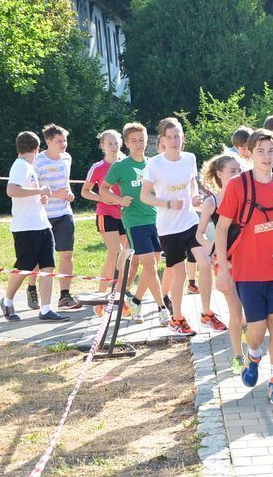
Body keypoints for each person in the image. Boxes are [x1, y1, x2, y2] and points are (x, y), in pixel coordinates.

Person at [214, 129, 273, 405]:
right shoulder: (238, 185)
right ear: (249, 153)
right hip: (247, 270)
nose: (267, 156)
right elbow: (223, 227)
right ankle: (253, 355)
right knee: (257, 329)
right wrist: (223, 269)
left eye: (271, 150)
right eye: (260, 151)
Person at [141, 117, 223, 336]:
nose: (174, 140)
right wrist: (167, 203)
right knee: (179, 274)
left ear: (183, 137)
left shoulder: (189, 158)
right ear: (162, 140)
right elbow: (144, 196)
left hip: (189, 222)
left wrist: (195, 196)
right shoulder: (155, 163)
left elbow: (192, 182)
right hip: (168, 228)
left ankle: (206, 313)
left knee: (205, 263)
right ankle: (176, 318)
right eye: (169, 137)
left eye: (177, 136)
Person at [100, 123, 168, 324]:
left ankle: (136, 301)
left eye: (141, 140)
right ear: (127, 144)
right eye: (133, 141)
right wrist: (120, 200)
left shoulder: (154, 164)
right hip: (134, 221)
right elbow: (104, 189)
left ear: (147, 141)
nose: (138, 144)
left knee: (153, 267)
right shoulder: (120, 166)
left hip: (156, 219)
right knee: (149, 264)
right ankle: (161, 308)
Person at [0, 131, 68, 323]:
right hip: (25, 227)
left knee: (48, 265)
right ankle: (7, 301)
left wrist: (40, 198)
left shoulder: (28, 167)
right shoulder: (20, 166)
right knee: (25, 267)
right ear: (37, 149)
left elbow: (26, 193)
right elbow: (11, 190)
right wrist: (40, 190)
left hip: (41, 223)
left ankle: (46, 309)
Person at [197, 152, 247, 374]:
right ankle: (238, 355)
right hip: (226, 262)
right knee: (235, 310)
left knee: (251, 310)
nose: (238, 175)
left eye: (240, 171)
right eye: (233, 171)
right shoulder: (213, 202)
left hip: (250, 258)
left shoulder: (247, 196)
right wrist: (212, 249)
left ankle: (249, 342)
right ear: (219, 174)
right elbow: (199, 234)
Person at [32, 124, 81, 311]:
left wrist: (69, 195)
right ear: (48, 142)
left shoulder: (67, 158)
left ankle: (64, 296)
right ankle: (31, 288)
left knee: (66, 254)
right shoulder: (38, 161)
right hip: (43, 215)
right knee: (39, 258)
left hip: (64, 213)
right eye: (59, 141)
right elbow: (32, 188)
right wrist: (54, 195)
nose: (64, 144)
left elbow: (65, 184)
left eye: (65, 140)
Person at [81, 129, 128, 306]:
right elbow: (85, 192)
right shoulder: (98, 168)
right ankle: (101, 295)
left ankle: (119, 294)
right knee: (115, 253)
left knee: (125, 255)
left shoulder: (125, 164)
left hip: (125, 215)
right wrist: (103, 198)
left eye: (116, 143)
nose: (114, 147)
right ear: (102, 146)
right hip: (106, 213)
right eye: (110, 144)